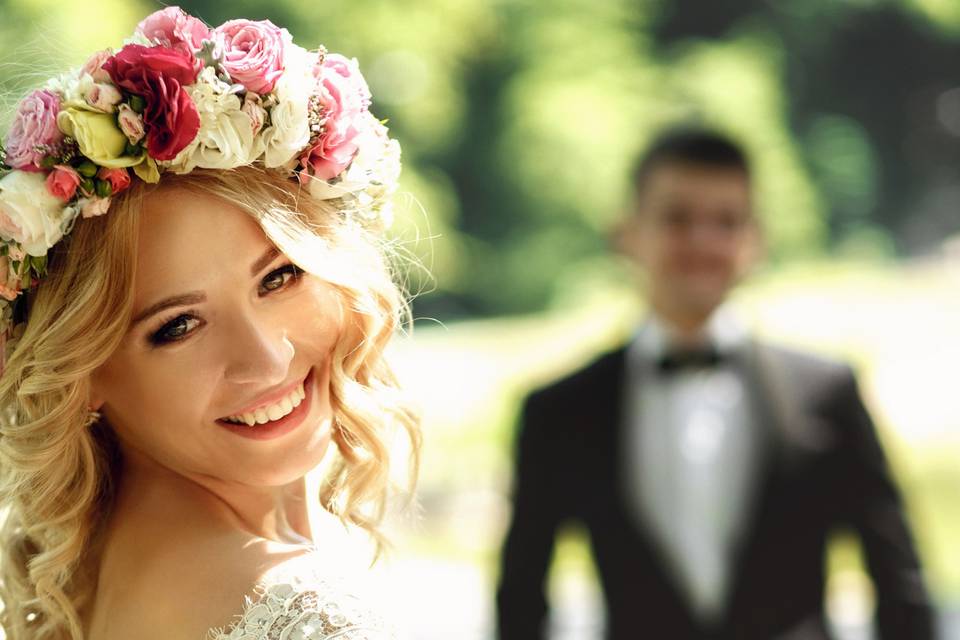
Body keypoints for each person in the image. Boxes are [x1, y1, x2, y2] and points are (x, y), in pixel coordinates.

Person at [0, 7, 419, 640]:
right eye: (178, 326)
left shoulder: (96, 575)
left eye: (278, 277)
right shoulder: (308, 618)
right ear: (80, 374)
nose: (268, 359)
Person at [496, 128, 935, 639]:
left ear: (755, 241)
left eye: (725, 222)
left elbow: (899, 581)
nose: (703, 242)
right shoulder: (561, 409)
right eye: (678, 219)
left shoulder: (829, 392)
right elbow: (521, 600)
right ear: (628, 233)